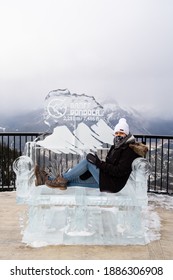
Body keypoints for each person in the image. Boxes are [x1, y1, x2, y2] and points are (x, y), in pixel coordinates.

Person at [35, 118, 148, 193]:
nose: (119, 135)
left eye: (122, 133)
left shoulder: (129, 150)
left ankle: (58, 179)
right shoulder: (116, 146)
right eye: (117, 133)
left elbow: (118, 171)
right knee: (75, 180)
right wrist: (96, 164)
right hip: (107, 178)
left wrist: (96, 163)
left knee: (87, 161)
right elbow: (109, 164)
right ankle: (46, 180)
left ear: (127, 134)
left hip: (113, 184)